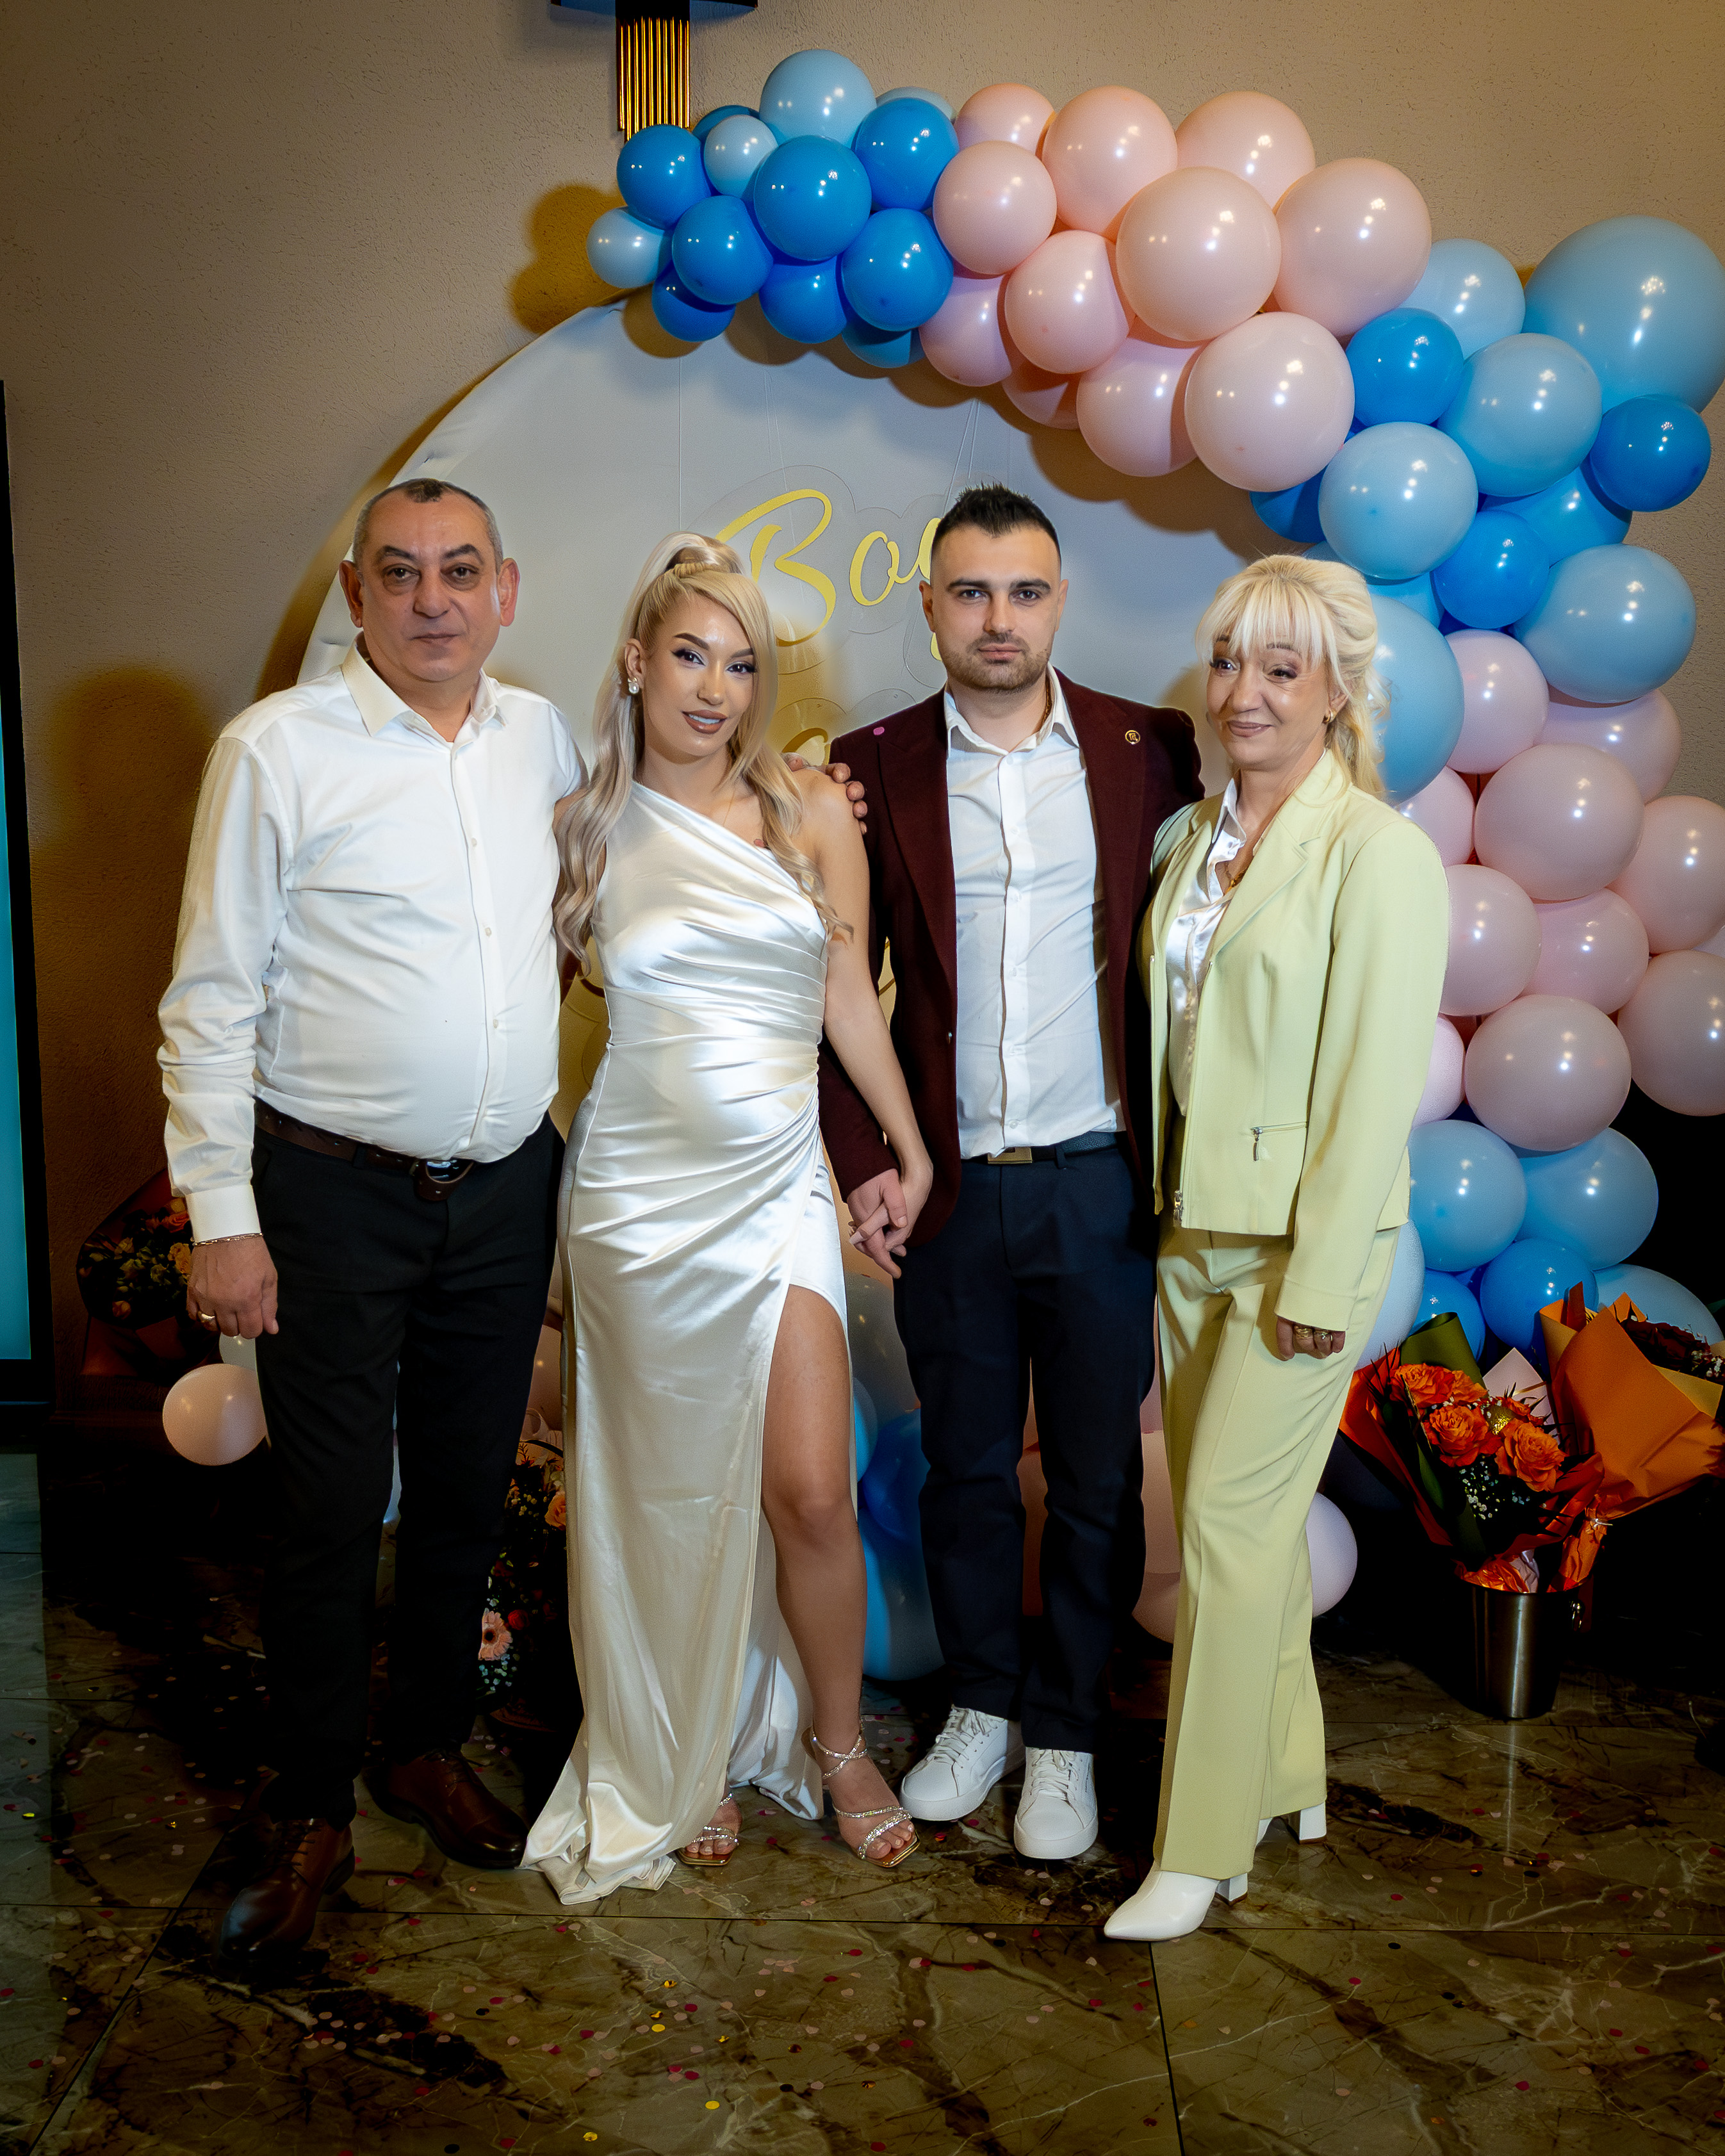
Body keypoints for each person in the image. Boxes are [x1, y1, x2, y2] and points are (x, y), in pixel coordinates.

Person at [159, 478, 573, 1957]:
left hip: (507, 1187)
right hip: (328, 1193)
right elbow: (210, 996)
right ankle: (312, 1800)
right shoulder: (275, 750)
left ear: (505, 590)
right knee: (331, 1512)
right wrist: (222, 1215)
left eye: (460, 571)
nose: (432, 600)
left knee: (465, 1494)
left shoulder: (542, 736)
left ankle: (423, 1746)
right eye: (400, 574)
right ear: (355, 594)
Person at [525, 535, 932, 1902]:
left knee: (810, 1489)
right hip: (635, 1201)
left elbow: (846, 999)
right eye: (690, 655)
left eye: (742, 664)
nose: (714, 688)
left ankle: (837, 1744)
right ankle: (678, 1745)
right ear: (636, 661)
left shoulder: (812, 808)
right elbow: (529, 1020)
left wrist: (907, 1148)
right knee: (658, 1491)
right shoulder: (582, 826)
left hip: (777, 1185)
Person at [819, 484, 1203, 1863]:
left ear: (1058, 603)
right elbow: (824, 987)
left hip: (1101, 1181)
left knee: (1096, 1481)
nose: (999, 618)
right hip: (952, 1191)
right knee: (966, 1470)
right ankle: (979, 1707)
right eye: (971, 592)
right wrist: (866, 1158)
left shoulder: (1152, 751)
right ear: (929, 604)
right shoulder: (864, 769)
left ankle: (1070, 1732)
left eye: (1024, 592)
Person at [1104, 554, 1448, 1943]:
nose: (1243, 691)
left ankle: (1200, 1845)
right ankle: (1291, 1767)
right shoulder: (1188, 843)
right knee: (1229, 1528)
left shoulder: (1378, 854)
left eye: (1280, 667)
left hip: (1300, 1252)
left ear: (1338, 693)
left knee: (1228, 1540)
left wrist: (1316, 1279)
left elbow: (1373, 1089)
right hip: (1188, 1229)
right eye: (1230, 659)